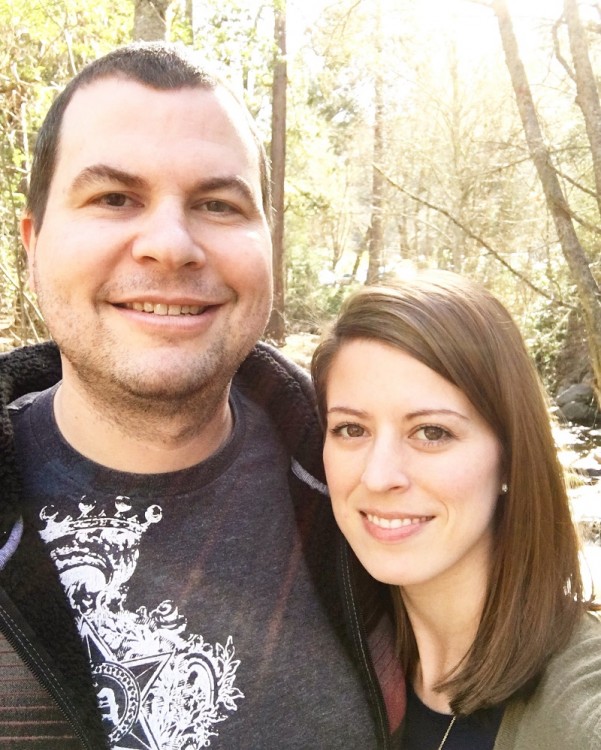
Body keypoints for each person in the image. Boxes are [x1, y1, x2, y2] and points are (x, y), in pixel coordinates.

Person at [0, 42, 403, 749]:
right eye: (114, 198)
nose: (170, 245)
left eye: (217, 204)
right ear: (32, 246)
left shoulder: (369, 492)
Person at [311, 270, 601, 750]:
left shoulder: (578, 715)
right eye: (351, 429)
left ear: (510, 454)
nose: (379, 476)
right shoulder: (342, 658)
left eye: (431, 432)